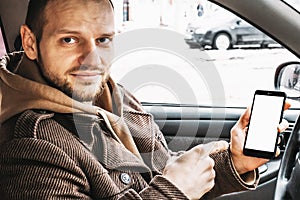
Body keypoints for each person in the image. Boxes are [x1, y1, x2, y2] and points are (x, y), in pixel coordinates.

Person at [0, 0, 290, 199]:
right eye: (69, 40)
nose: (92, 60)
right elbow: (171, 184)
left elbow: (162, 171)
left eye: (103, 40)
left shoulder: (111, 93)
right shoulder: (32, 145)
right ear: (30, 43)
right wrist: (173, 192)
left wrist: (236, 162)